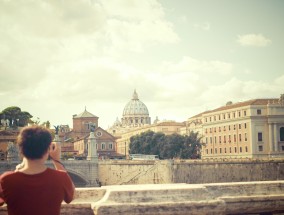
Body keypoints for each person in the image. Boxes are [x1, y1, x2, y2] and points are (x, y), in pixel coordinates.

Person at [0, 125, 75, 215]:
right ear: (48, 150)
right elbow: (71, 196)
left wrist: (18, 170)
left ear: (20, 150)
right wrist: (56, 160)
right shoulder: (61, 177)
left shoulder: (6, 179)